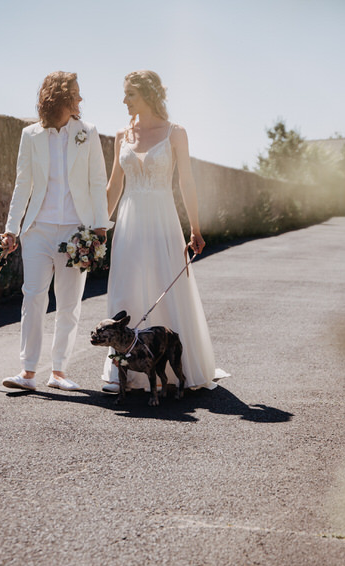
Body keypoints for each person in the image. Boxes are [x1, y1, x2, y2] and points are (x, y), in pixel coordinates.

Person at [101, 70, 227, 393]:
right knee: (125, 289)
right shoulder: (121, 135)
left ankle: (173, 367)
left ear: (146, 94)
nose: (124, 101)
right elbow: (115, 187)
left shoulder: (175, 133)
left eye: (129, 94)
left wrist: (195, 228)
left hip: (163, 219)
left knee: (166, 288)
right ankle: (123, 373)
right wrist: (97, 228)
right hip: (129, 222)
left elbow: (186, 182)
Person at [0, 72, 108, 392]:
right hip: (37, 231)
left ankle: (59, 372)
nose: (81, 99)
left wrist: (100, 226)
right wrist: (11, 230)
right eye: (75, 93)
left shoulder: (88, 133)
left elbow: (97, 182)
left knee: (70, 304)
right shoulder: (30, 135)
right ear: (59, 97)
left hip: (76, 233)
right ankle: (28, 371)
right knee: (32, 298)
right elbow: (22, 185)